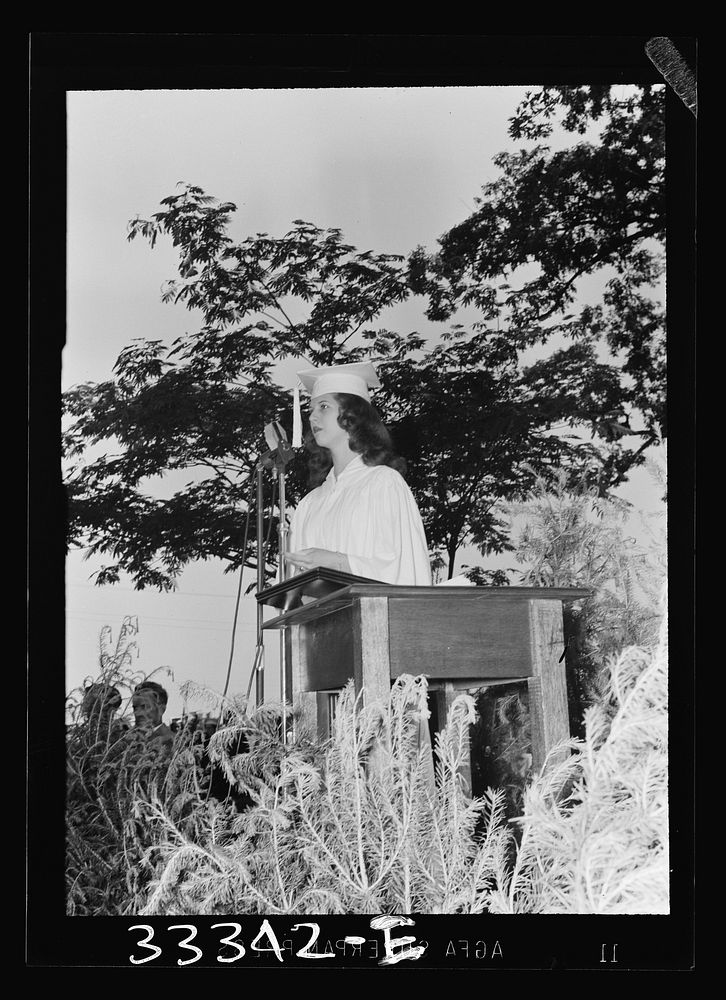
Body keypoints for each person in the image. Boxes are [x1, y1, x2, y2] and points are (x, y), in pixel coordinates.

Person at [285, 361, 432, 587]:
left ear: (352, 415)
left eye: (323, 407)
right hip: (324, 621)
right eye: (311, 410)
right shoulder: (310, 504)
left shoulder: (383, 483)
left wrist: (337, 563)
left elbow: (404, 568)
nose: (312, 417)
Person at [131, 680, 174, 750]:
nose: (137, 713)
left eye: (144, 707)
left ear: (161, 709)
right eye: (135, 708)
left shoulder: (173, 742)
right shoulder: (126, 739)